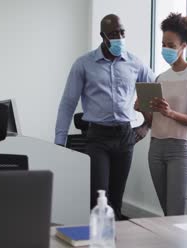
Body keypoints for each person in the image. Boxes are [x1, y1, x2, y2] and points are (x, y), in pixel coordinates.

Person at [55, 14, 155, 220]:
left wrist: (146, 126)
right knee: (99, 198)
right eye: (113, 34)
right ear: (103, 36)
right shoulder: (83, 64)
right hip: (98, 138)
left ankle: (113, 240)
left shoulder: (135, 63)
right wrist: (59, 141)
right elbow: (67, 103)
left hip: (126, 136)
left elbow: (154, 94)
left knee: (116, 202)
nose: (119, 37)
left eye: (122, 32)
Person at [135, 13, 187, 216]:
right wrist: (143, 109)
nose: (166, 49)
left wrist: (171, 113)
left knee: (175, 213)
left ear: (184, 45)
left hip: (180, 149)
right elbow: (152, 120)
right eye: (163, 44)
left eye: (171, 45)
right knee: (166, 214)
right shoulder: (160, 78)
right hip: (156, 148)